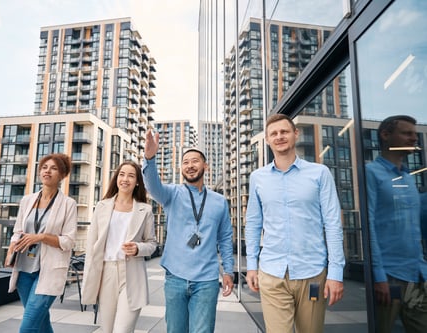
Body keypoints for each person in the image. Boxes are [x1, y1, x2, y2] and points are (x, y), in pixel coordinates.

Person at [245, 114, 345, 333]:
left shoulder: (320, 173)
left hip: (312, 273)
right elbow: (253, 223)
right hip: (272, 272)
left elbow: (333, 224)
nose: (279, 137)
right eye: (274, 133)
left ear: (295, 134)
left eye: (284, 131)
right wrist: (251, 265)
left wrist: (335, 273)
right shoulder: (258, 178)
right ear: (267, 140)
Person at [143, 131, 234, 333]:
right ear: (181, 168)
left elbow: (226, 238)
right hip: (175, 277)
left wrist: (228, 270)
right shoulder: (171, 194)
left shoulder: (220, 202)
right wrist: (149, 159)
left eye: (195, 161)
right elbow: (152, 185)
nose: (190, 165)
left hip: (207, 280)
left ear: (205, 166)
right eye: (185, 162)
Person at [365, 115, 427, 332]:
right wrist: (379, 276)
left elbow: (415, 228)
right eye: (407, 133)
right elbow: (368, 225)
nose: (414, 138)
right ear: (385, 135)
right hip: (389, 277)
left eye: (415, 134)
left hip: (416, 275)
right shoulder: (371, 173)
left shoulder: (408, 179)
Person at [81, 161, 157, 333]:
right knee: (107, 329)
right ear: (116, 178)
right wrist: (90, 277)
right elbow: (92, 246)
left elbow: (152, 244)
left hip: (132, 273)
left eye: (131, 176)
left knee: (122, 330)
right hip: (106, 272)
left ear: (137, 181)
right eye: (122, 174)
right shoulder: (102, 206)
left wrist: (138, 248)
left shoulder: (145, 210)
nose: (125, 179)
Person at [5, 153, 77, 333]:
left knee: (28, 325)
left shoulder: (68, 204)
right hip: (24, 269)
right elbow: (18, 231)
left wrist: (41, 237)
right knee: (41, 321)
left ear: (62, 175)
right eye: (44, 167)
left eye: (54, 168)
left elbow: (68, 241)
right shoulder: (27, 200)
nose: (48, 171)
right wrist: (11, 247)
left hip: (49, 270)